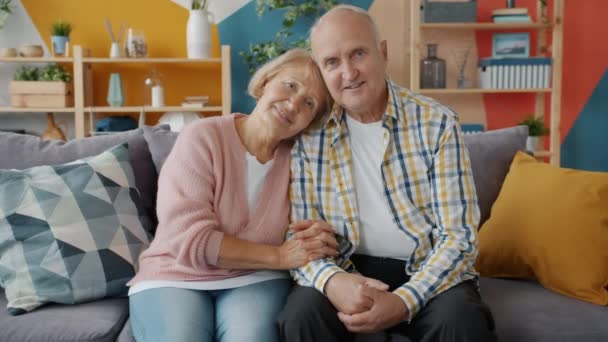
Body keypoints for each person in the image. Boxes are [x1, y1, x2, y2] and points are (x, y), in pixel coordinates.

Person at [279, 5, 496, 342]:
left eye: (358, 53)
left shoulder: (437, 123)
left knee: (461, 321)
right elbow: (301, 240)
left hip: (427, 268)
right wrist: (333, 282)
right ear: (321, 71)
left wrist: (403, 301)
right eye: (332, 62)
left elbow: (459, 237)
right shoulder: (309, 137)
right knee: (300, 315)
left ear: (382, 53)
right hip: (348, 268)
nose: (348, 72)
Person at [128, 48, 336, 342]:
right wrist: (279, 256)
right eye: (290, 85)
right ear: (266, 82)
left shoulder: (303, 159)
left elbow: (310, 229)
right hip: (175, 272)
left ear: (311, 120)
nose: (293, 103)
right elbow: (189, 239)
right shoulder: (202, 136)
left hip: (255, 278)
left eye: (309, 102)